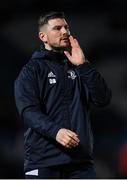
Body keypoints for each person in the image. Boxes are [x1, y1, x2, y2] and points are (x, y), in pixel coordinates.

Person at [14, 11, 111, 179]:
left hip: (80, 164)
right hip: (44, 163)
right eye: (57, 28)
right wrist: (56, 131)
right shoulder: (31, 71)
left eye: (66, 27)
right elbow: (28, 111)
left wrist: (83, 65)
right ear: (43, 36)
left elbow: (103, 99)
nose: (65, 32)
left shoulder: (79, 67)